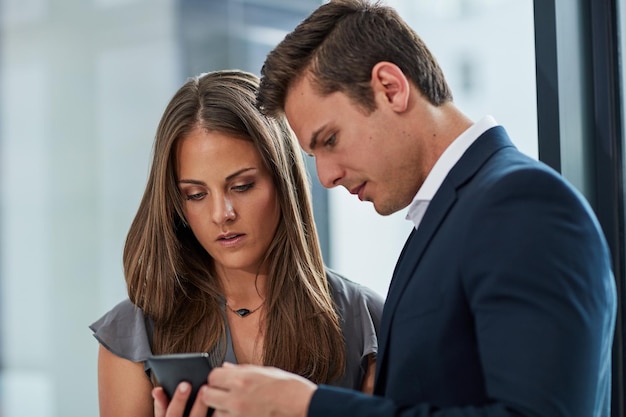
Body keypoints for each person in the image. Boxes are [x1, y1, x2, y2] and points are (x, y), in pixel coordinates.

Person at [182, 1, 618, 417]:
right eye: (314, 156)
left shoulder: (522, 205)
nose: (328, 176)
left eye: (329, 140)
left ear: (390, 88)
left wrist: (312, 408)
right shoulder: (445, 219)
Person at [90, 69, 383, 417]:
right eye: (196, 194)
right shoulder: (134, 332)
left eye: (242, 186)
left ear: (283, 180)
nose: (221, 214)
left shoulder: (365, 321)